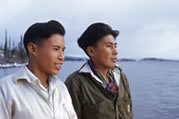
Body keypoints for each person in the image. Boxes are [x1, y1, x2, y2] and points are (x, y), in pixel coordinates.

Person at [0, 20, 77, 119]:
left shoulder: (61, 88)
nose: (62, 57)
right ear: (32, 49)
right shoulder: (5, 89)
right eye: (56, 49)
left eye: (63, 50)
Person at [65, 22, 134, 119]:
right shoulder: (75, 83)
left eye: (115, 46)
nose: (115, 52)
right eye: (109, 46)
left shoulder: (120, 76)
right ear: (91, 51)